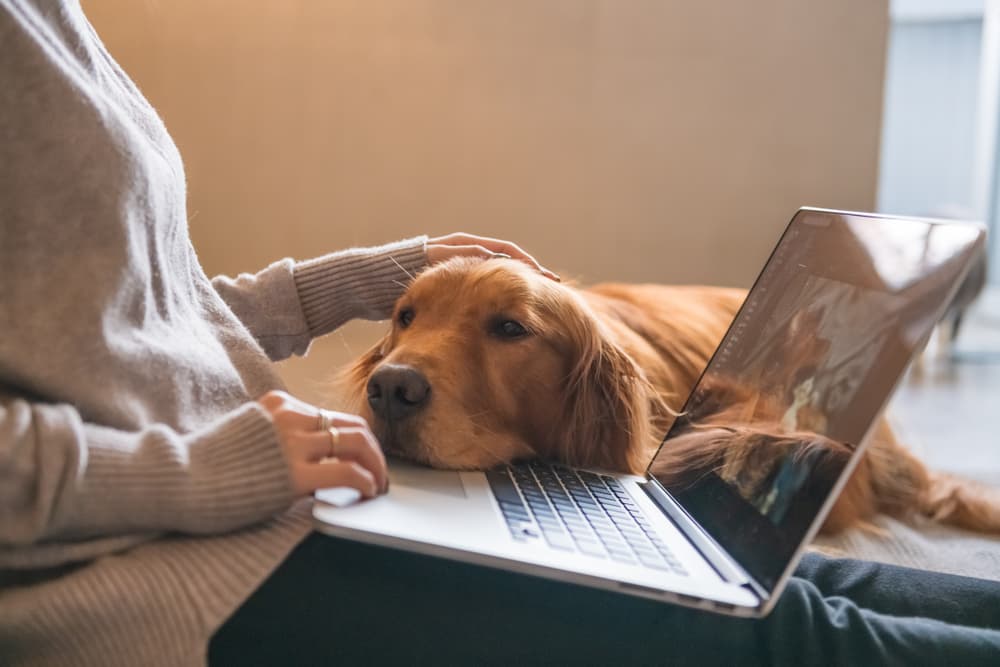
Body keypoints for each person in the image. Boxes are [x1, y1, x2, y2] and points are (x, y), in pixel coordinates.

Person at [2, 2, 999, 665]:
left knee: (774, 575)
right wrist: (201, 473)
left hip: (259, 497)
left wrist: (353, 281)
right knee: (775, 639)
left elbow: (120, 308)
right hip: (141, 563)